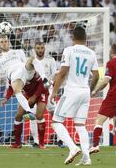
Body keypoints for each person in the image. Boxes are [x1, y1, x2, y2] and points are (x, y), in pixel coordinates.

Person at [49, 27, 99, 165]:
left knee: (56, 122)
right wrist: (90, 89)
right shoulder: (91, 53)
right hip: (85, 92)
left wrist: (54, 91)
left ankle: (72, 148)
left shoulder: (69, 50)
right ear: (85, 38)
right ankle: (87, 157)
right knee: (80, 125)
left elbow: (63, 72)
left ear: (73, 37)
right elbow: (96, 76)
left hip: (71, 91)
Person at [1, 72, 48, 149]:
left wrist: (34, 96)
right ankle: (17, 143)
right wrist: (6, 98)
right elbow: (11, 87)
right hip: (28, 94)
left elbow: (41, 85)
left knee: (39, 116)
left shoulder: (32, 72)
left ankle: (41, 144)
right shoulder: (14, 75)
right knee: (18, 116)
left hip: (42, 92)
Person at [28, 41, 58, 148]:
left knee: (55, 113)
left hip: (48, 90)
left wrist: (49, 84)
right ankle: (36, 141)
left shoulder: (50, 60)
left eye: (42, 48)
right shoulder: (32, 62)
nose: (40, 50)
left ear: (44, 48)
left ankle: (59, 139)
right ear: (34, 49)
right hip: (34, 92)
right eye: (38, 48)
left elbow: (55, 75)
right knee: (32, 116)